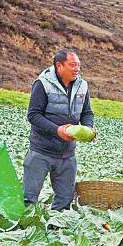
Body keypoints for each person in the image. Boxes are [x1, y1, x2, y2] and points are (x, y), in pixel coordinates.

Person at [23, 49, 94, 210]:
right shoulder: (42, 84)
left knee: (64, 201)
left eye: (78, 66)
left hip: (67, 154)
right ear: (59, 66)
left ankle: (58, 231)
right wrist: (57, 130)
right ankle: (24, 230)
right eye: (72, 65)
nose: (77, 69)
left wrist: (88, 129)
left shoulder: (82, 85)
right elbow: (33, 115)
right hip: (41, 151)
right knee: (29, 198)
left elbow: (87, 112)